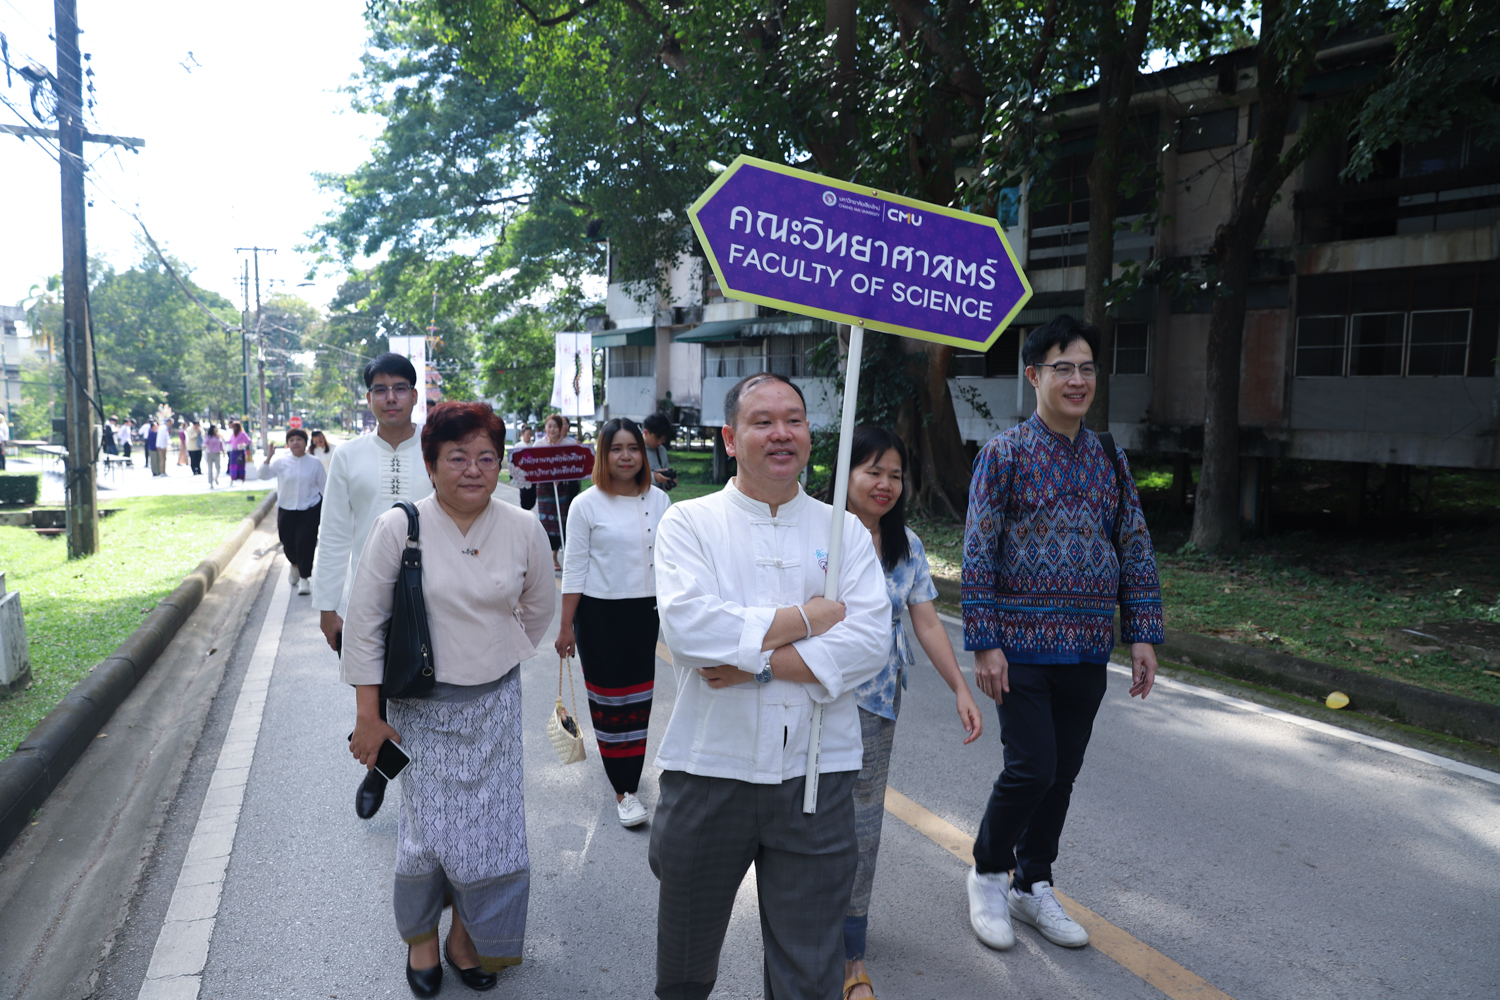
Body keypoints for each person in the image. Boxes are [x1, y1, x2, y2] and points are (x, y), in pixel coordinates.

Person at [650, 372, 889, 1000]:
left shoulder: (844, 533)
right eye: (762, 422)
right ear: (730, 439)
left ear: (810, 435)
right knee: (683, 967)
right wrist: (812, 618)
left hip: (818, 772)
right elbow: (691, 630)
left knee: (809, 972)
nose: (781, 433)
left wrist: (755, 662)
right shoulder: (689, 523)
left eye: (794, 420)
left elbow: (870, 642)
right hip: (709, 765)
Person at [962, 314, 1164, 953]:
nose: (1077, 380)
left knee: (1062, 774)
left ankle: (1032, 883)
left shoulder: (1109, 456)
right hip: (1019, 647)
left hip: (1086, 647)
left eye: (1086, 368)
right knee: (1032, 769)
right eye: (1062, 368)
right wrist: (985, 642)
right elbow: (978, 550)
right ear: (1034, 376)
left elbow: (1134, 543)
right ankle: (988, 873)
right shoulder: (1004, 454)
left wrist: (1142, 632)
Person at [344, 401, 555, 997]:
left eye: (487, 457)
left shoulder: (523, 527)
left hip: (495, 707)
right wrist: (368, 717)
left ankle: (467, 937)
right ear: (431, 463)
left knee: (490, 835)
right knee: (428, 836)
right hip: (421, 710)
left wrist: (494, 650)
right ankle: (421, 939)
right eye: (457, 457)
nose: (473, 470)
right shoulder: (400, 527)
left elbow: (539, 606)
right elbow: (365, 625)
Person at [837, 424, 983, 999]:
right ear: (846, 473)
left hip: (876, 705)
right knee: (805, 818)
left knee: (863, 825)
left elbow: (925, 621)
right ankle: (802, 924)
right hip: (813, 699)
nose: (885, 484)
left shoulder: (907, 545)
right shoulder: (818, 536)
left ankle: (851, 951)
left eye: (895, 474)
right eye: (873, 470)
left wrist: (960, 688)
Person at [310, 352, 435, 820]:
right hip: (367, 598)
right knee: (374, 694)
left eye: (400, 388)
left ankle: (420, 782)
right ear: (368, 399)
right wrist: (327, 606)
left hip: (433, 593)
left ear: (415, 396)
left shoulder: (436, 447)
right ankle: (379, 772)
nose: (391, 398)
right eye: (380, 389)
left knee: (426, 689)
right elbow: (333, 533)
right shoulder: (348, 456)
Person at [555, 417, 670, 829]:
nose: (626, 456)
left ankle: (630, 777)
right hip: (599, 617)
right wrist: (565, 626)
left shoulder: (659, 500)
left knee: (638, 703)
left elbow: (670, 561)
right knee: (609, 705)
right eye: (617, 449)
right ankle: (624, 790)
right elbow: (574, 567)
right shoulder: (586, 504)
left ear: (644, 453)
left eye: (633, 448)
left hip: (645, 616)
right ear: (603, 455)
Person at [257, 428, 327, 595]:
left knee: (306, 543)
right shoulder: (281, 462)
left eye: (299, 439)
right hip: (286, 508)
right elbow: (262, 475)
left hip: (310, 508)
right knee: (287, 542)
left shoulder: (314, 463)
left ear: (305, 442)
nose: (296, 442)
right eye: (292, 440)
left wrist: (331, 508)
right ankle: (294, 565)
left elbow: (324, 487)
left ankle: (304, 578)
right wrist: (269, 457)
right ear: (288, 444)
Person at [534, 413, 579, 571]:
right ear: (545, 427)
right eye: (549, 426)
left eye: (555, 426)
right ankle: (546, 555)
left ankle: (556, 555)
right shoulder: (538, 445)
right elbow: (533, 466)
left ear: (561, 428)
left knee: (561, 521)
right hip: (544, 489)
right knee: (546, 522)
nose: (552, 429)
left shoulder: (568, 444)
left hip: (562, 488)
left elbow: (575, 465)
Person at [641, 412, 678, 496]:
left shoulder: (662, 450)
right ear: (646, 433)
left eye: (663, 439)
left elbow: (662, 487)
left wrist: (668, 483)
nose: (660, 442)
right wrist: (654, 477)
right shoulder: (633, 448)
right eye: (657, 438)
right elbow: (629, 478)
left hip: (655, 498)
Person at [203, 424, 224, 488]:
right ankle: (211, 482)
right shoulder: (208, 436)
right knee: (210, 469)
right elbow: (204, 443)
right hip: (210, 453)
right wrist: (205, 445)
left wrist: (223, 450)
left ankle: (216, 478)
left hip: (217, 453)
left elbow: (221, 443)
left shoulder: (218, 436)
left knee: (218, 467)